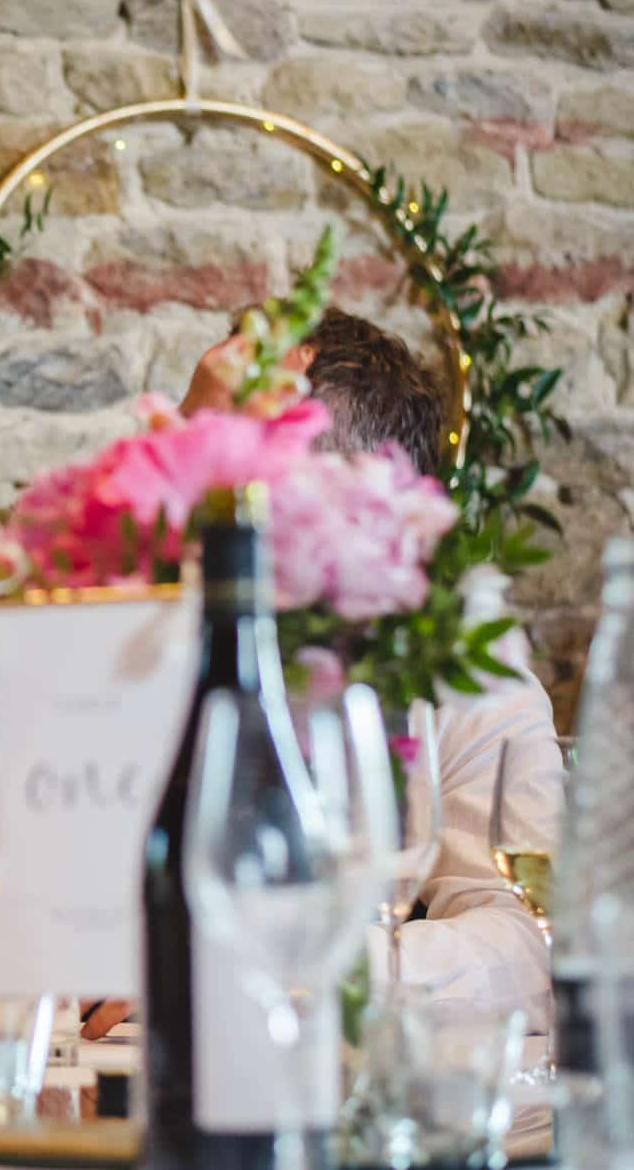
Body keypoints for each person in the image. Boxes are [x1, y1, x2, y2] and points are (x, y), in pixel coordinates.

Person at [84, 309, 565, 1039]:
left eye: (248, 485)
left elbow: (529, 949)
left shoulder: (464, 668)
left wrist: (283, 968)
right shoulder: (144, 634)